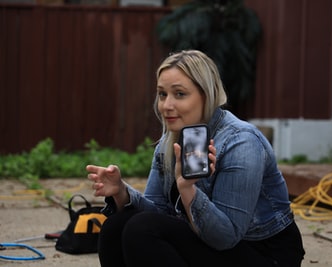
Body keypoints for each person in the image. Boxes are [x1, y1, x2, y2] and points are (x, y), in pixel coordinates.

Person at [87, 50, 305, 267]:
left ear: (206, 95)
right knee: (116, 226)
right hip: (214, 246)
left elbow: (226, 237)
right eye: (162, 94)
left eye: (179, 94)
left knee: (142, 229)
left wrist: (188, 190)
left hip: (263, 253)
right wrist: (122, 192)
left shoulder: (242, 142)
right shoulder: (170, 140)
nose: (166, 105)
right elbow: (158, 212)